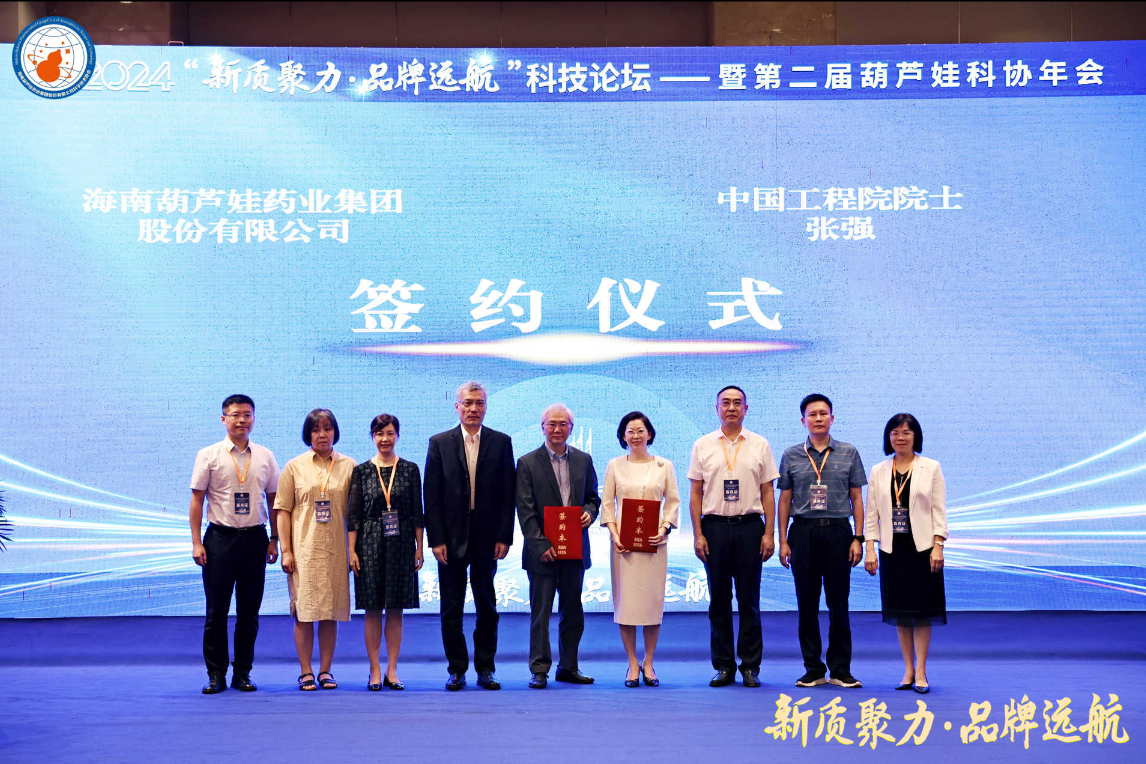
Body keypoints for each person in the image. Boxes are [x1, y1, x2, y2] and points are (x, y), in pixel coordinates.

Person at [424, 381, 516, 692]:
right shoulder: (439, 443)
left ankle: (486, 669)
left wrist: (504, 536)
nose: (473, 408)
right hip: (450, 539)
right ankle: (457, 669)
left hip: (487, 538)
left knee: (487, 606)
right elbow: (431, 495)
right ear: (457, 407)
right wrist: (436, 539)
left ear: (486, 407)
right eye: (468, 403)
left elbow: (507, 494)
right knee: (451, 608)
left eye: (479, 403)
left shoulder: (501, 442)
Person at [688, 385, 779, 688]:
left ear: (746, 409)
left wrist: (769, 533)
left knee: (749, 599)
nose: (731, 408)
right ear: (716, 409)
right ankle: (724, 665)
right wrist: (698, 534)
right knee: (719, 600)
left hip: (750, 527)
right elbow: (696, 493)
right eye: (725, 403)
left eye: (737, 403)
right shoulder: (703, 445)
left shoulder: (760, 444)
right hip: (714, 527)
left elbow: (768, 492)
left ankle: (750, 666)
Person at [189, 394, 280, 694]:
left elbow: (274, 501)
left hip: (255, 539)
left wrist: (275, 539)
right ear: (223, 419)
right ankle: (216, 674)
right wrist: (196, 542)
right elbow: (197, 500)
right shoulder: (208, 455)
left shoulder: (265, 456)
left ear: (254, 418)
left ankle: (243, 673)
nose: (242, 420)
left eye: (247, 415)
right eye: (236, 415)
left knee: (249, 612)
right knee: (216, 612)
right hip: (219, 539)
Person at [777, 393, 867, 689]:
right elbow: (784, 500)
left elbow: (857, 498)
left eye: (823, 413)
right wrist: (783, 541)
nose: (818, 418)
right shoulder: (791, 454)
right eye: (812, 414)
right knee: (807, 605)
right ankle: (813, 669)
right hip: (803, 533)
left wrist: (858, 537)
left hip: (838, 533)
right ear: (803, 420)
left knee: (839, 604)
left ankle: (840, 669)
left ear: (832, 418)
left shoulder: (848, 452)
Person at [516, 403, 600, 689]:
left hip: (574, 549)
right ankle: (539, 669)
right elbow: (525, 509)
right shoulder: (527, 462)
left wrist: (590, 512)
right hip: (542, 553)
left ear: (571, 428)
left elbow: (593, 497)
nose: (557, 429)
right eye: (551, 423)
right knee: (541, 613)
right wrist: (540, 544)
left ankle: (568, 667)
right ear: (542, 427)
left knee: (573, 611)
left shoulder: (584, 460)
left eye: (563, 424)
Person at [863, 413, 947, 694]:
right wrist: (870, 548)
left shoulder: (931, 467)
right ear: (889, 438)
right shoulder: (878, 470)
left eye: (906, 432)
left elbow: (939, 509)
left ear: (915, 437)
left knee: (921, 612)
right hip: (892, 550)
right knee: (900, 612)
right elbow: (872, 514)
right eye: (895, 433)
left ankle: (921, 671)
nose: (900, 437)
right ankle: (908, 670)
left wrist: (938, 545)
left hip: (923, 550)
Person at [274, 409, 354, 691]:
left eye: (327, 428)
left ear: (335, 431)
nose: (322, 434)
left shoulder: (349, 466)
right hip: (304, 551)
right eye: (316, 429)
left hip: (337, 551)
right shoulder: (294, 467)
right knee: (304, 613)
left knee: (330, 612)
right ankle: (306, 671)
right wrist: (286, 550)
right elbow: (282, 511)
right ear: (308, 434)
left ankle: (326, 670)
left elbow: (356, 514)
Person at [601, 411, 680, 687]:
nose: (635, 436)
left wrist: (664, 528)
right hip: (623, 546)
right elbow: (607, 504)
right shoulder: (614, 465)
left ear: (650, 434)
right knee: (626, 605)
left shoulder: (664, 466)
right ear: (623, 436)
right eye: (630, 431)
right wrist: (614, 535)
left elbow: (672, 502)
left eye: (640, 431)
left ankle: (649, 662)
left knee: (651, 604)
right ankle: (632, 662)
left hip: (654, 545)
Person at [347, 414, 425, 691]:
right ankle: (375, 669)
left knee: (395, 608)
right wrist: (351, 550)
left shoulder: (410, 469)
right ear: (372, 437)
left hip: (402, 542)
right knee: (372, 608)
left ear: (398, 436)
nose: (385, 439)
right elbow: (354, 515)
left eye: (390, 433)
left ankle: (392, 668)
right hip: (369, 542)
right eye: (379, 434)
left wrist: (419, 547)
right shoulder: (361, 471)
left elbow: (417, 512)